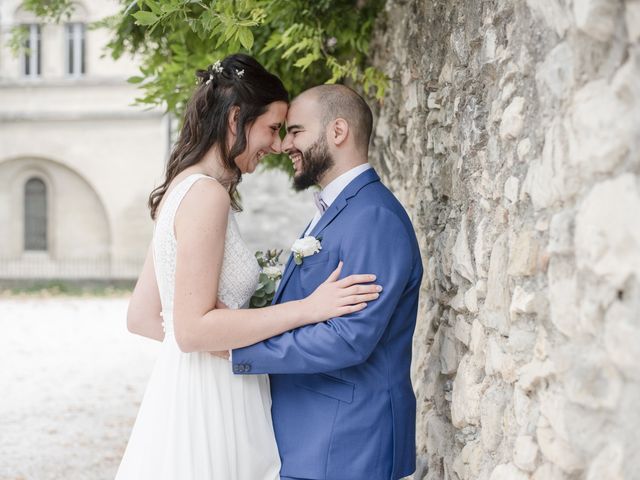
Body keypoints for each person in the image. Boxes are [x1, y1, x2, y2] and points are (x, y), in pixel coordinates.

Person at [116, 54, 381, 480]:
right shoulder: (207, 196)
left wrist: (218, 333)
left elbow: (144, 316)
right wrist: (309, 308)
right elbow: (191, 331)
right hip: (215, 400)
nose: (277, 145)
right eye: (273, 128)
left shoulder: (180, 188)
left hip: (184, 392)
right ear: (238, 117)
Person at [231, 84, 423, 480]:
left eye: (297, 131)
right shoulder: (338, 209)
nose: (285, 145)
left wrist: (240, 351)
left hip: (348, 441)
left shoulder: (373, 217)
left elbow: (348, 338)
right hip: (318, 435)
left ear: (338, 132)